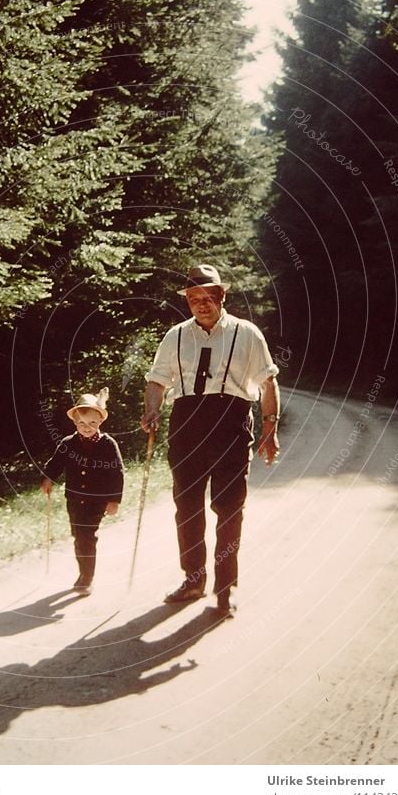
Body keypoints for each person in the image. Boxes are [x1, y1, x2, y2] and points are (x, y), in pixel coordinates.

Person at [141, 264, 280, 617]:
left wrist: (270, 428)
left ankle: (224, 587)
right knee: (187, 507)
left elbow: (267, 383)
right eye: (193, 299)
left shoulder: (247, 334)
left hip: (231, 424)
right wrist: (152, 410)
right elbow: (157, 381)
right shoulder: (175, 336)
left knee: (229, 507)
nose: (200, 304)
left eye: (207, 297)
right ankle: (193, 580)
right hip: (186, 425)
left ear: (222, 296)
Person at [41, 388, 124, 595]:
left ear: (100, 422)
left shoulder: (108, 444)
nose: (87, 428)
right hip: (75, 500)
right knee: (78, 536)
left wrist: (114, 500)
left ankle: (86, 577)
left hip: (97, 501)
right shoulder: (67, 444)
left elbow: (117, 473)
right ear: (75, 423)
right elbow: (55, 464)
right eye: (82, 423)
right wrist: (48, 478)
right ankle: (83, 571)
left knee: (86, 536)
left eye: (92, 423)